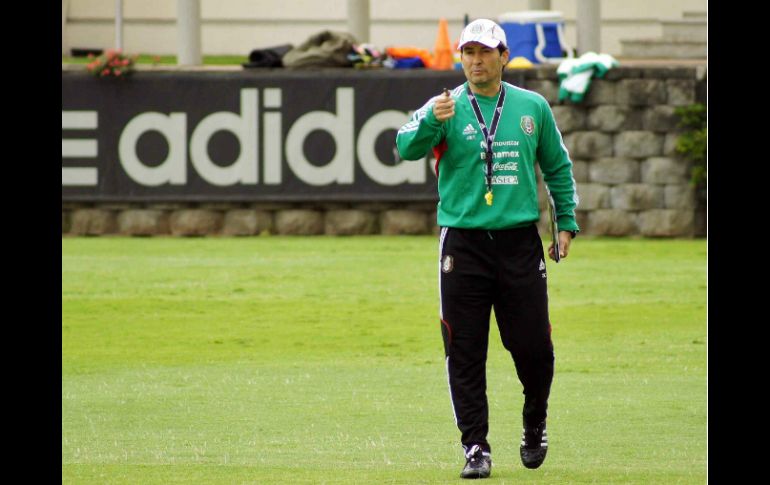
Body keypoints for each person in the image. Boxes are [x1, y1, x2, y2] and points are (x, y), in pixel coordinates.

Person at [396, 18, 579, 479]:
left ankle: (534, 421)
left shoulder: (531, 107)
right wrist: (426, 125)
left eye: (484, 52)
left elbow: (557, 167)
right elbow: (405, 146)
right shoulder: (444, 107)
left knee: (534, 348)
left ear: (503, 56)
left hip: (519, 243)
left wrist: (566, 224)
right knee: (464, 349)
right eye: (467, 53)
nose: (475, 61)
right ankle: (475, 446)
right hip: (462, 244)